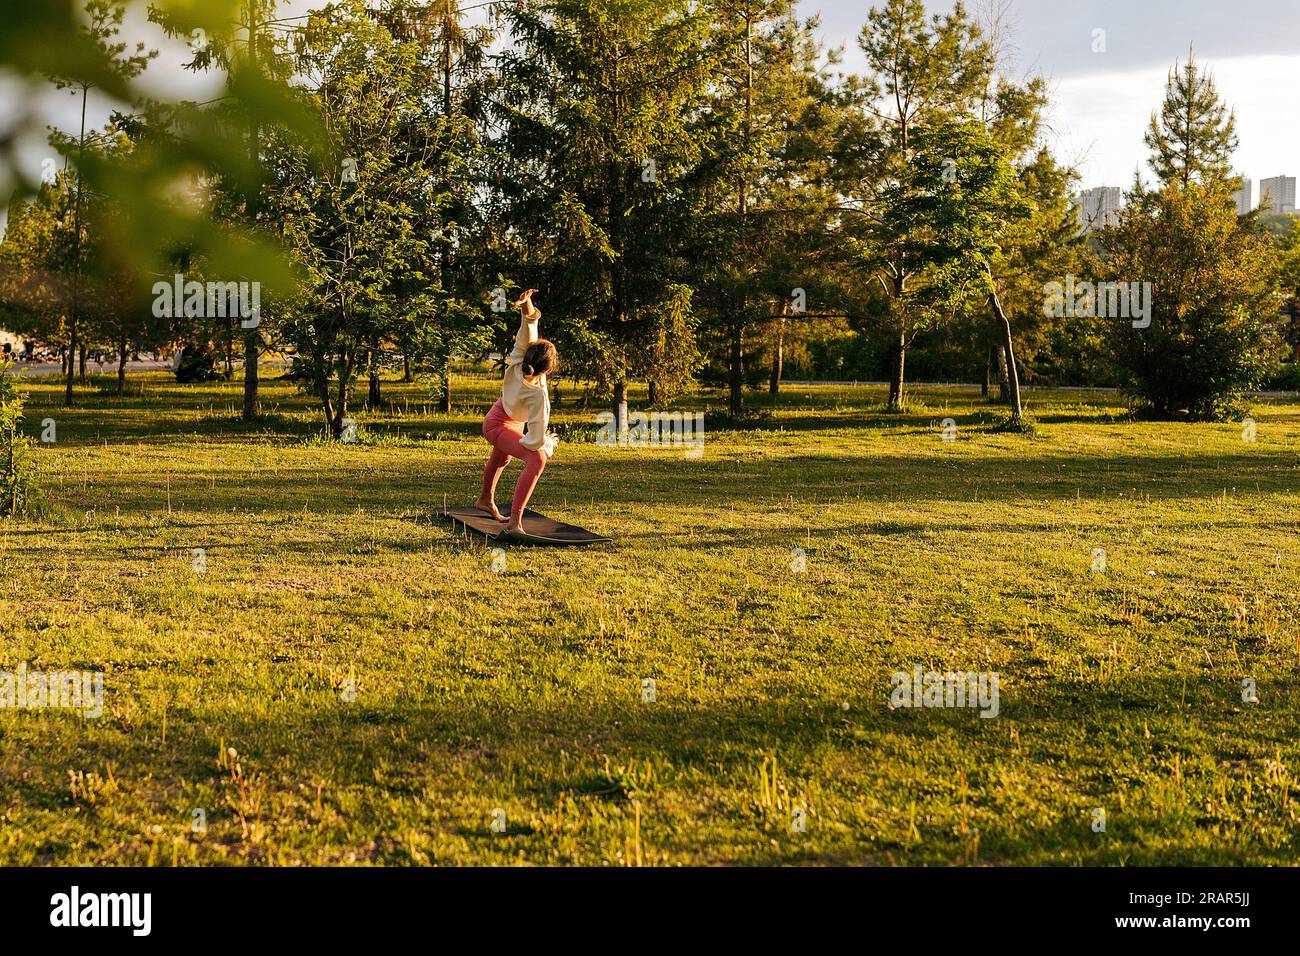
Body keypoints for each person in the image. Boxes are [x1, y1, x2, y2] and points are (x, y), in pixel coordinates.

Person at [474, 289, 560, 534]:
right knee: (537, 459)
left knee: (502, 458)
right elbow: (534, 441)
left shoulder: (520, 356)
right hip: (498, 424)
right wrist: (546, 444)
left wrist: (526, 302)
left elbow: (529, 322)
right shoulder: (539, 395)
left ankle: (485, 500)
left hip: (501, 419)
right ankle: (514, 523)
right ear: (548, 370)